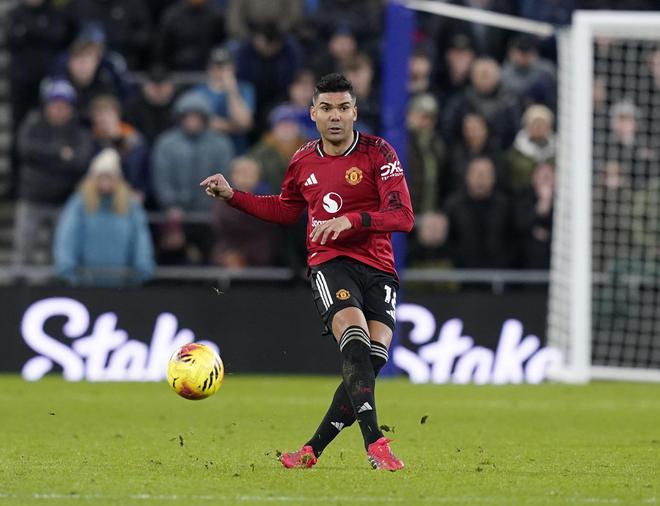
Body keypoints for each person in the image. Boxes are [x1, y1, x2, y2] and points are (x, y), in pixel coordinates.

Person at [201, 73, 413, 470]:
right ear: (313, 113)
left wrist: (352, 220)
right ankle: (376, 442)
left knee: (371, 360)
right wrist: (233, 196)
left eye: (343, 108)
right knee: (355, 342)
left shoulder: (378, 153)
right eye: (327, 108)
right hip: (329, 263)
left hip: (379, 267)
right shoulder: (302, 160)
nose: (335, 116)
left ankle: (310, 450)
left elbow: (403, 216)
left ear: (355, 112)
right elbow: (285, 209)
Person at [53, 148, 155, 286]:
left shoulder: (130, 205)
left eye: (110, 177)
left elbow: (140, 238)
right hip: (85, 282)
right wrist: (66, 267)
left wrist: (142, 266)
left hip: (123, 283)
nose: (105, 182)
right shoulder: (79, 203)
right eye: (101, 177)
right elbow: (67, 236)